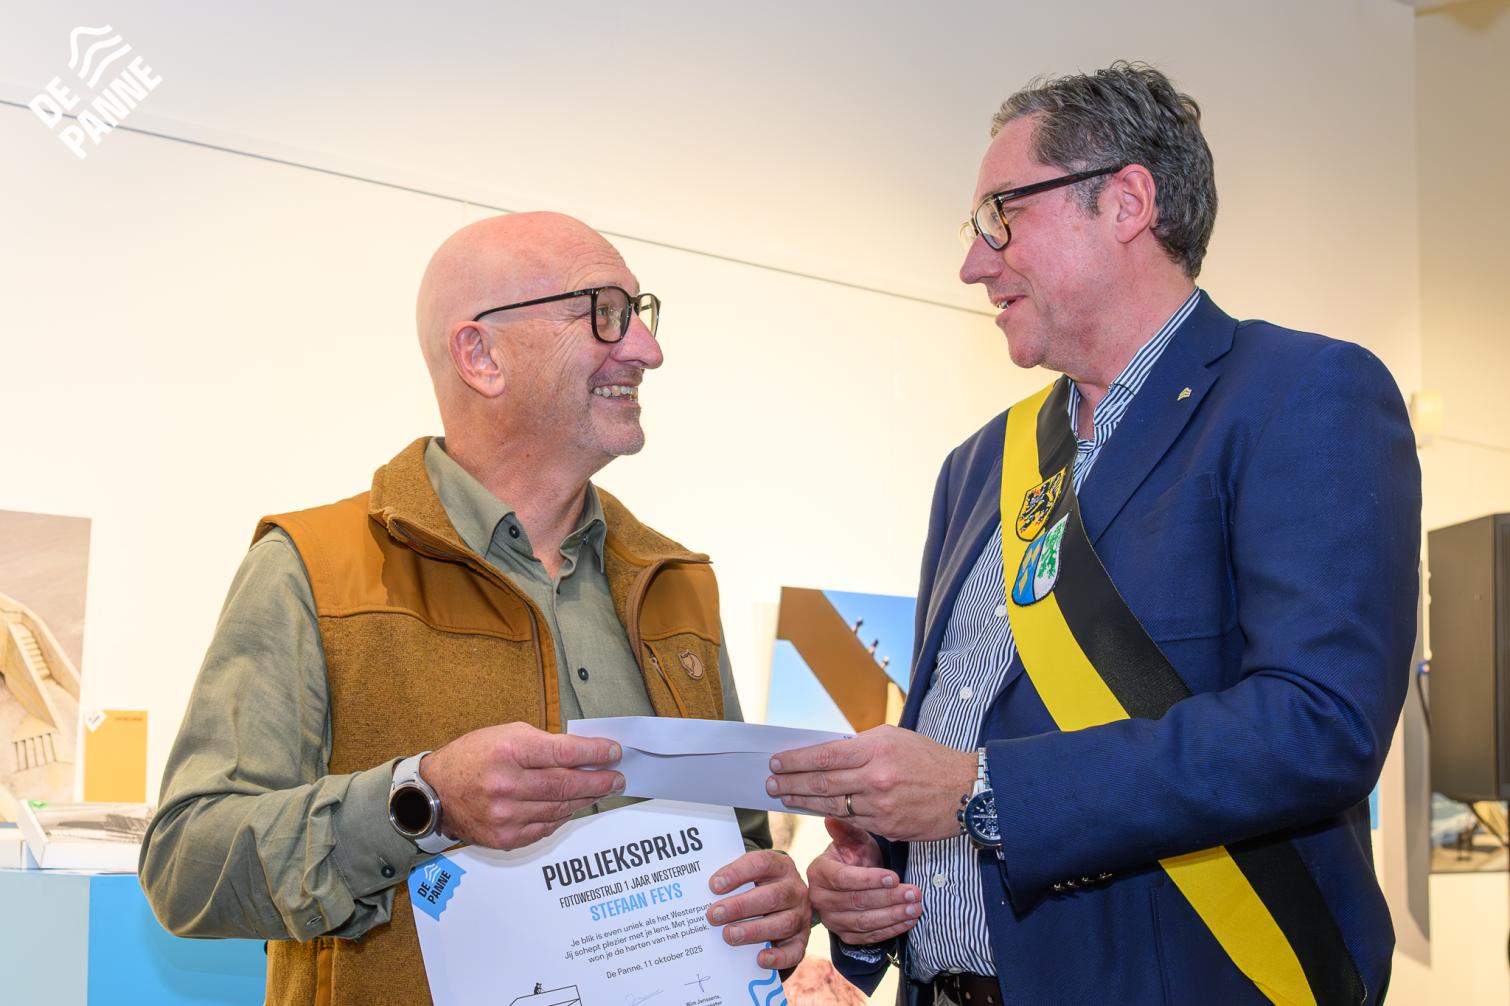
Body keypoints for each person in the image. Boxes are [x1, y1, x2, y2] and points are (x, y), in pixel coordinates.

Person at [767, 62, 1419, 1005]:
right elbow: (963, 743)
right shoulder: (977, 466)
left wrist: (980, 792)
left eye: (1001, 215)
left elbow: (1319, 723)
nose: (973, 263)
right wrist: (869, 887)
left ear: (1126, 202)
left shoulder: (1301, 395)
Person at [140, 213, 809, 1005]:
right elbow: (187, 866)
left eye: (639, 312)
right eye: (603, 313)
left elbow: (742, 844)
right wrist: (422, 802)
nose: (645, 349)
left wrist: (776, 900)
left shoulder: (676, 582)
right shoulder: (309, 569)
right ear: (480, 356)